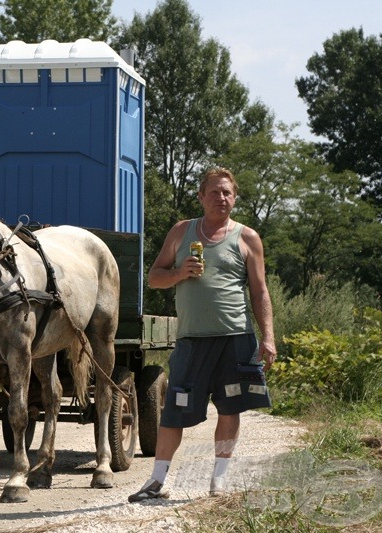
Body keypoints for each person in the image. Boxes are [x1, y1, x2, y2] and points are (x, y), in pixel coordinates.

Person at [128, 167, 276, 502]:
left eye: (227, 193)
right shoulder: (182, 232)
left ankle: (218, 482)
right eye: (214, 192)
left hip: (235, 339)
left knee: (230, 408)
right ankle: (156, 481)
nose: (221, 198)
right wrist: (180, 273)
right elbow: (154, 277)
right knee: (174, 412)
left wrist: (268, 336)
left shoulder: (247, 237)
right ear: (201, 196)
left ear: (234, 198)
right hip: (192, 340)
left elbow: (260, 292)